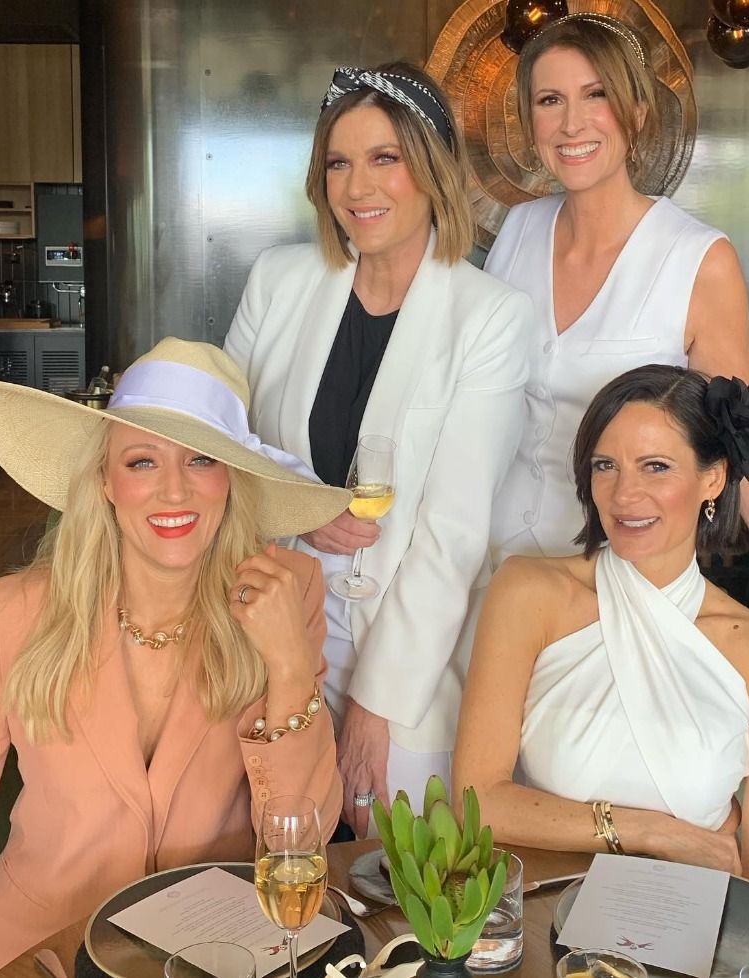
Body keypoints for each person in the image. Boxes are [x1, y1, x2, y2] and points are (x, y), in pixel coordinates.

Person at [0, 338, 348, 978]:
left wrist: (288, 666)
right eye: (142, 462)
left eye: (201, 460)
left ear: (231, 480)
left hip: (215, 949)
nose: (174, 491)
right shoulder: (14, 612)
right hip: (38, 949)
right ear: (105, 482)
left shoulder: (287, 592)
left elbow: (305, 836)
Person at [483, 12, 749, 692]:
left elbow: (744, 437)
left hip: (620, 573)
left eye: (595, 95)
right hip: (494, 564)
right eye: (549, 100)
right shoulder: (517, 232)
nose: (571, 123)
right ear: (528, 121)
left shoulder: (695, 259)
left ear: (637, 112)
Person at [224, 63, 533, 835]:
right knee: (268, 844)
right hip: (267, 628)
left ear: (431, 170)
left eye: (383, 158)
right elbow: (218, 447)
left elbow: (453, 531)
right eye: (338, 162)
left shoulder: (489, 316)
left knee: (390, 864)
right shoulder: (277, 280)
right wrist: (292, 504)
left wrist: (374, 703)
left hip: (407, 647)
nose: (356, 186)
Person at [454, 365, 749, 901]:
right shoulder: (527, 593)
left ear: (712, 479)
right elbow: (476, 801)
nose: (624, 494)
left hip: (703, 916)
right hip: (546, 910)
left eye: (656, 467)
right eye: (606, 466)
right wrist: (650, 832)